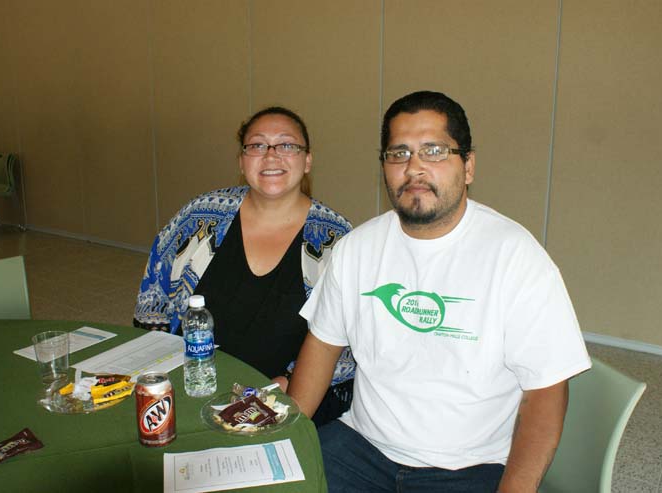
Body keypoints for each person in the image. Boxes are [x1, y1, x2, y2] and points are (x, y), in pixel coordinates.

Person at [288, 91, 591, 492]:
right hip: (359, 447)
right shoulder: (357, 249)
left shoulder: (515, 256)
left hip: (468, 467)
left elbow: (546, 391)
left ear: (467, 166)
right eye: (398, 154)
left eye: (433, 151)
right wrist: (286, 435)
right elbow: (323, 345)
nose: (414, 167)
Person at [134, 106, 355, 426]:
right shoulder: (200, 216)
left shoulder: (335, 239)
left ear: (307, 160)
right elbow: (152, 300)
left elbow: (349, 344)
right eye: (257, 145)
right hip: (192, 384)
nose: (271, 155)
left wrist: (293, 385)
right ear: (241, 160)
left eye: (287, 145)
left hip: (281, 399)